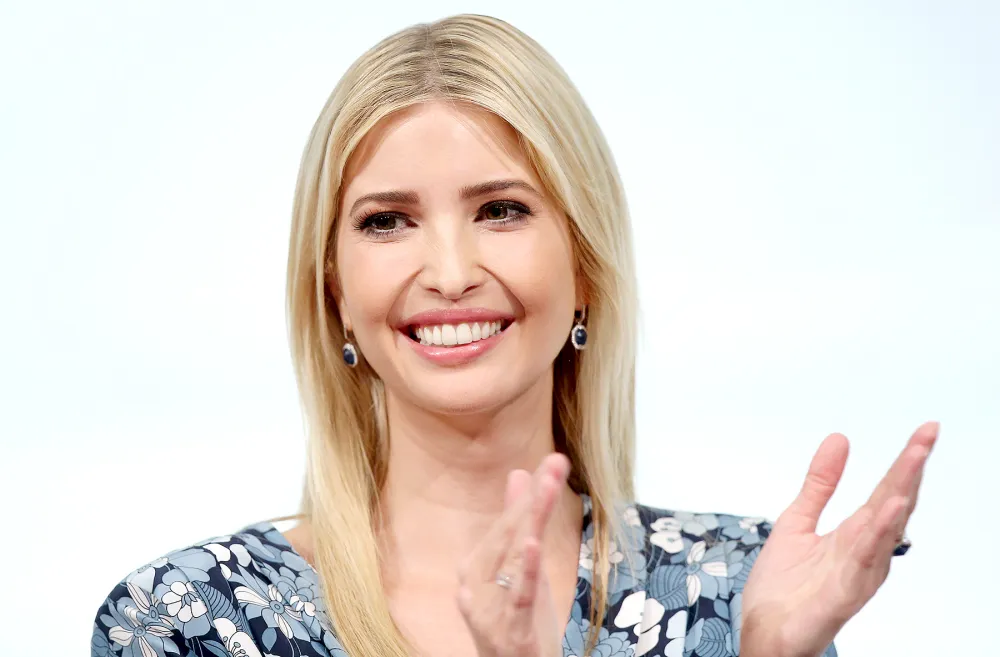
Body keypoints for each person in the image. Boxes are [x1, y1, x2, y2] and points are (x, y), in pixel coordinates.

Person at [90, 14, 938, 657]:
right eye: (388, 221)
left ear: (586, 267)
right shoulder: (191, 617)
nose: (451, 270)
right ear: (333, 293)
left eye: (502, 210)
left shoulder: (743, 593)